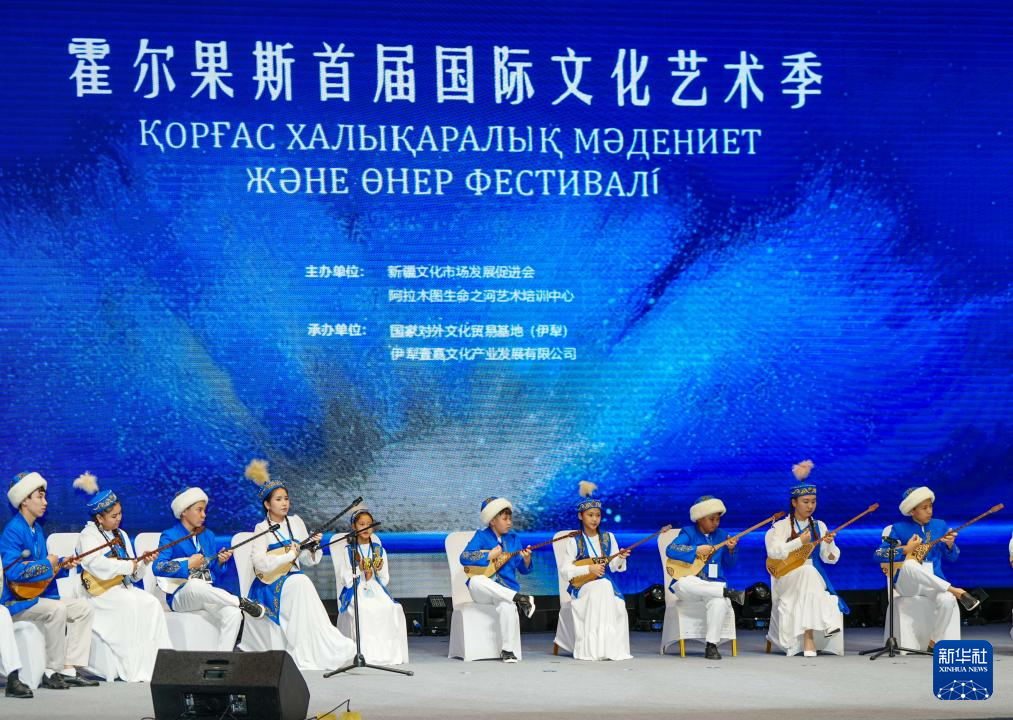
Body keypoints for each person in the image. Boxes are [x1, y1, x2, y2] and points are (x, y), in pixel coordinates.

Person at [245, 460, 355, 670]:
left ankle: (323, 643)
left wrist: (313, 546)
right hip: (270, 584)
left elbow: (306, 560)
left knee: (302, 582)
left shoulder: (296, 522)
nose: (284, 503)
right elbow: (259, 563)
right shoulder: (261, 528)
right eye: (278, 499)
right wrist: (288, 555)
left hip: (295, 578)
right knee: (302, 582)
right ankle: (305, 648)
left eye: (286, 498)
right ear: (267, 505)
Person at [0, 471, 97, 689]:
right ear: (24, 500)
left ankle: (69, 668)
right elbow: (13, 572)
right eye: (40, 497)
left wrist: (62, 563)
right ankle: (52, 670)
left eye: (45, 497)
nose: (45, 502)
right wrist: (48, 563)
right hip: (17, 601)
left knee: (83, 608)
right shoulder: (12, 531)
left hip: (37, 596)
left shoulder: (37, 529)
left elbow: (43, 569)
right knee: (57, 609)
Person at [73, 472, 171, 681]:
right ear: (99, 518)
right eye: (113, 516)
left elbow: (133, 576)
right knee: (131, 604)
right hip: (99, 593)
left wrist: (142, 562)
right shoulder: (88, 535)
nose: (119, 518)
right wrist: (128, 565)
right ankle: (132, 668)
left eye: (120, 513)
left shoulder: (122, 535)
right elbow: (95, 565)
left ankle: (158, 666)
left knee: (152, 603)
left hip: (123, 588)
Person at [153, 487, 264, 651]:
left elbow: (214, 572)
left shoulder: (208, 535)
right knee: (195, 585)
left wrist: (219, 561)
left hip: (206, 592)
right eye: (199, 510)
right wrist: (188, 564)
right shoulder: (170, 535)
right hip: (180, 595)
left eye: (204, 510)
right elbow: (158, 567)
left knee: (233, 614)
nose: (204, 515)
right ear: (184, 512)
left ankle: (221, 659)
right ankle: (240, 601)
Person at [875, 486, 979, 651]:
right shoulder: (898, 528)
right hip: (908, 583)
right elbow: (878, 554)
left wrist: (950, 545)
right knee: (910, 564)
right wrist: (906, 549)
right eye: (924, 508)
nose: (929, 511)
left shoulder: (940, 525)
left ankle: (934, 642)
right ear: (912, 510)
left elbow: (953, 557)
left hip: (934, 580)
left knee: (947, 600)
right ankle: (956, 590)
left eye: (930, 506)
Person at [764, 461, 845, 657]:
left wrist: (830, 544)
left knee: (809, 573)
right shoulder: (781, 526)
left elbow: (830, 558)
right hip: (787, 578)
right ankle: (827, 623)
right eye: (805, 502)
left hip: (813, 578)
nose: (810, 506)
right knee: (808, 572)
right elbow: (774, 553)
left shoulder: (819, 526)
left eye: (813, 502)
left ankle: (809, 638)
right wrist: (799, 541)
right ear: (794, 503)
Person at [665, 495, 745, 659]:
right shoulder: (688, 532)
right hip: (690, 590)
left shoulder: (723, 535)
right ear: (699, 518)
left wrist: (731, 550)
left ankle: (711, 645)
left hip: (712, 586)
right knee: (685, 582)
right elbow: (671, 549)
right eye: (711, 519)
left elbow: (730, 564)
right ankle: (725, 592)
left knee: (718, 601)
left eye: (718, 519)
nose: (716, 523)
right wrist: (696, 550)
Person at [558, 482, 632, 661]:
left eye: (598, 515)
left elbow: (614, 567)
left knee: (615, 599)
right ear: (580, 516)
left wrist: (621, 557)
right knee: (603, 586)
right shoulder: (574, 541)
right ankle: (593, 649)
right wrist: (589, 568)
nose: (594, 519)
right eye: (590, 515)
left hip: (605, 584)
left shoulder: (608, 538)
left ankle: (609, 648)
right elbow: (565, 571)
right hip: (582, 586)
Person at [459, 497, 535, 662]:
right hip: (483, 593)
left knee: (507, 605)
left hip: (505, 591)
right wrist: (488, 555)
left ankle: (507, 650)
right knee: (476, 580)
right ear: (493, 521)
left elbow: (523, 570)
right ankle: (520, 598)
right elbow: (464, 557)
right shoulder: (481, 536)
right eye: (505, 519)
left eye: (510, 519)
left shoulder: (514, 539)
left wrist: (526, 559)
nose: (509, 523)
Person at [335, 507, 409, 665]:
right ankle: (366, 654)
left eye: (369, 524)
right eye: (362, 524)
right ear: (354, 527)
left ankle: (386, 654)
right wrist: (359, 570)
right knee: (364, 609)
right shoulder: (349, 551)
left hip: (375, 588)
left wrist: (378, 570)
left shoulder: (379, 550)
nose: (366, 528)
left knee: (389, 607)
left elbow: (385, 579)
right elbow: (344, 579)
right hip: (356, 588)